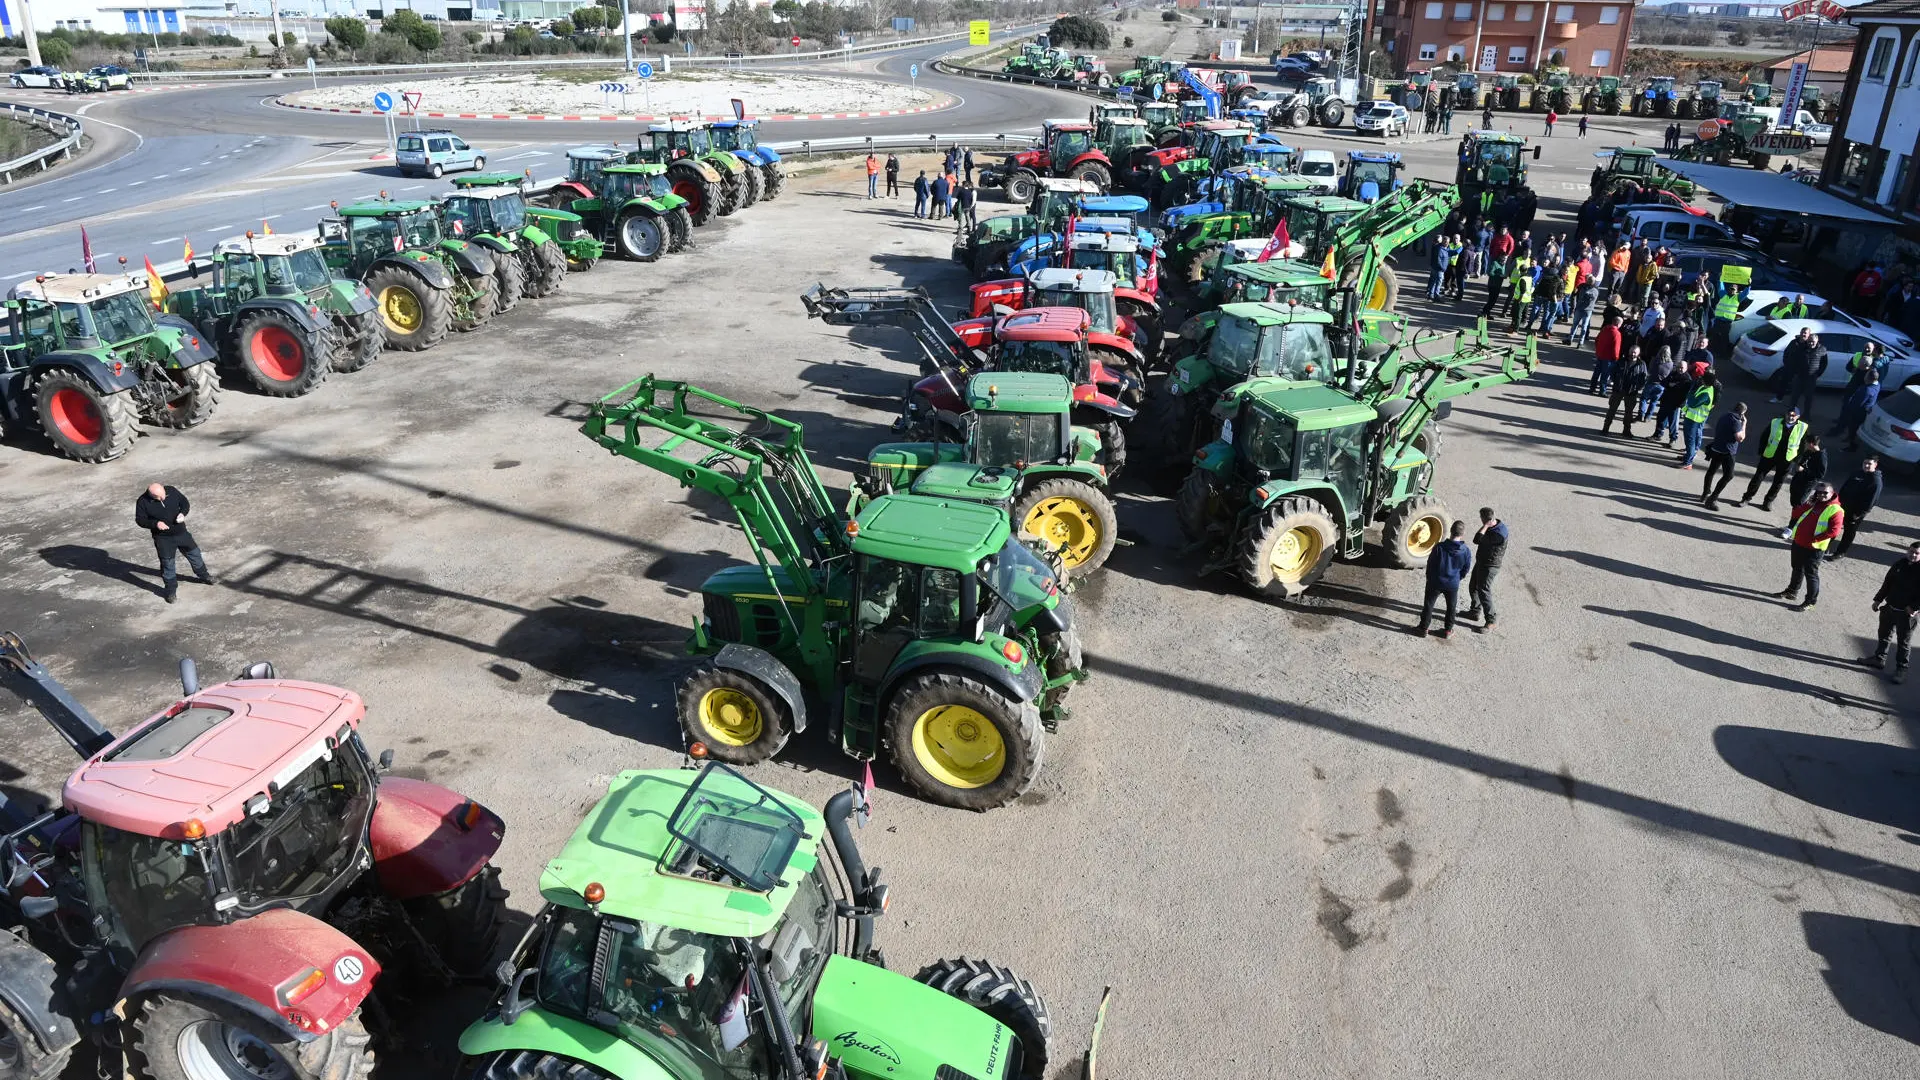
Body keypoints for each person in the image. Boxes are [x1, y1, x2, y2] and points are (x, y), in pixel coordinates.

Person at [135, 482, 213, 604]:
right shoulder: (142, 502)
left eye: (163, 494)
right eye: (158, 497)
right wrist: (156, 524)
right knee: (168, 564)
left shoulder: (171, 490)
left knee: (195, 554)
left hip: (181, 533)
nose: (163, 498)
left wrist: (183, 513)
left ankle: (204, 576)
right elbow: (140, 520)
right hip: (163, 539)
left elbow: (184, 502)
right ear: (150, 495)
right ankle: (170, 591)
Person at [1774, 482, 1844, 611]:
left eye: (1825, 493)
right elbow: (1795, 514)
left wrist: (1815, 539)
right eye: (1818, 492)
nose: (1821, 495)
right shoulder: (1813, 503)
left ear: (1832, 493)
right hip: (1799, 542)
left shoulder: (1836, 510)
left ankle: (1810, 601)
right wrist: (1807, 504)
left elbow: (1834, 531)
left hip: (1814, 548)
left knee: (1811, 575)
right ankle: (1792, 591)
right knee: (1797, 568)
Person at [1863, 541, 1920, 682]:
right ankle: (1879, 658)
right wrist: (1878, 600)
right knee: (1884, 634)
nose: (1913, 555)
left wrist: (1914, 607)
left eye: (1917, 553)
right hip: (1890, 607)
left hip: (1907, 614)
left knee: (1903, 643)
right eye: (1911, 551)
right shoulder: (1900, 564)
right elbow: (1887, 583)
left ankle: (1901, 669)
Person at [1736, 406, 1808, 510]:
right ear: (1786, 414)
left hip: (1787, 458)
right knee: (1758, 477)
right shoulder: (1776, 422)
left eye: (1793, 415)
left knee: (1778, 482)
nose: (1790, 417)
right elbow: (1764, 436)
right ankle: (1746, 498)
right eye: (1789, 414)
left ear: (1798, 416)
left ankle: (1768, 501)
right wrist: (1761, 451)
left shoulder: (1803, 427)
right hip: (1770, 455)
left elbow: (1803, 446)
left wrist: (1798, 461)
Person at [1416, 520, 1474, 638]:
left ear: (1450, 531)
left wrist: (1430, 578)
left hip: (1436, 582)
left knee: (1429, 605)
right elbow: (1466, 568)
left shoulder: (1439, 547)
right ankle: (1448, 630)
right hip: (1452, 584)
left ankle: (1423, 628)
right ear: (1462, 534)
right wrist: (1457, 578)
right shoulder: (1466, 551)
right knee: (1451, 607)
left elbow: (1430, 564)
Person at [1461, 508, 1508, 633]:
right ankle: (1474, 612)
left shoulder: (1498, 534)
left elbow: (1477, 539)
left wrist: (1485, 526)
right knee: (1473, 586)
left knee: (1484, 591)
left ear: (1485, 519)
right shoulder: (1493, 526)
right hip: (1482, 562)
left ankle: (1491, 621)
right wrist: (1486, 525)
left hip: (1490, 566)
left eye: (1481, 519)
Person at [1830, 455, 1883, 560]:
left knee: (1849, 532)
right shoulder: (1857, 473)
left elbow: (1871, 501)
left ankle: (1840, 552)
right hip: (1842, 507)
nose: (1866, 466)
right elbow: (1845, 487)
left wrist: (1858, 514)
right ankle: (1825, 546)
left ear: (1875, 465)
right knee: (1833, 526)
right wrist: (1837, 501)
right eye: (1865, 463)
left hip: (1855, 512)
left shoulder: (1875, 481)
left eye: (1869, 464)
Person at [1701, 401, 1748, 510]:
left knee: (1711, 471)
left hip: (1716, 448)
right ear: (1742, 413)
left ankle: (1705, 494)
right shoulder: (1736, 421)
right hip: (1727, 452)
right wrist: (1744, 424)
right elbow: (1740, 438)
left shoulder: (1725, 416)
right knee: (1729, 475)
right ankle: (1712, 498)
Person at [1603, 346, 1647, 436]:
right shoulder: (1621, 361)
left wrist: (1638, 387)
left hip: (1631, 392)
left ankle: (1626, 430)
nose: (1633, 354)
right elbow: (1612, 371)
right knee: (1612, 409)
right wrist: (1615, 381)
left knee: (1629, 412)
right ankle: (1605, 428)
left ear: (1638, 353)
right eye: (1631, 352)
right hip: (1618, 390)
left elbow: (1644, 377)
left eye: (1635, 352)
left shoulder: (1641, 364)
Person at [1834, 367, 1881, 451]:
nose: (1864, 376)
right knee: (1853, 428)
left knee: (1853, 429)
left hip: (1858, 413)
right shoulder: (1877, 384)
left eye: (1866, 375)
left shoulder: (1866, 390)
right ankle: (1850, 438)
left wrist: (1848, 408)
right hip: (1864, 411)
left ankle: (1852, 446)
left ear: (1869, 379)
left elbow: (1857, 404)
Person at [1677, 370, 1715, 466]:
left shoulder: (1706, 393)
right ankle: (1688, 456)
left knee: (1690, 440)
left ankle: (1688, 462)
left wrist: (1690, 396)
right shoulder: (1705, 388)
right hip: (1691, 417)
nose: (1701, 379)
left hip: (1695, 420)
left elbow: (1693, 403)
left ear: (1705, 381)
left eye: (1703, 378)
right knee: (1689, 439)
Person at [1786, 433, 1828, 509]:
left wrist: (1804, 470)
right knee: (1794, 499)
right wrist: (1799, 465)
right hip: (1798, 479)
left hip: (1807, 483)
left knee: (1799, 503)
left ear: (1811, 444)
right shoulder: (1809, 451)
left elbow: (1820, 474)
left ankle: (1796, 518)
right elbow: (1802, 461)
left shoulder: (1821, 457)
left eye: (1806, 443)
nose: (1805, 445)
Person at [1592, 313, 1622, 395]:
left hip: (1600, 355)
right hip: (1608, 357)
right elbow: (1616, 347)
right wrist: (1616, 357)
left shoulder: (1604, 328)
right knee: (1605, 375)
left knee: (1596, 372)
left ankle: (1592, 388)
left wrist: (1598, 350)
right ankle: (1602, 391)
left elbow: (1597, 340)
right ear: (1618, 324)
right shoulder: (1617, 333)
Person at [1429, 236, 1454, 300]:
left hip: (1435, 267)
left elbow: (1451, 252)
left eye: (1448, 242)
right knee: (1438, 283)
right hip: (1439, 269)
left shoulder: (1443, 247)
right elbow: (1438, 260)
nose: (1447, 243)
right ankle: (1436, 296)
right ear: (1442, 241)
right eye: (1445, 242)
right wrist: (1443, 268)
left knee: (1434, 281)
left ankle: (1431, 294)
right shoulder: (1440, 249)